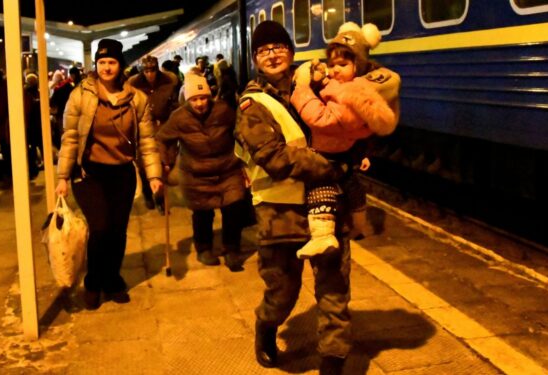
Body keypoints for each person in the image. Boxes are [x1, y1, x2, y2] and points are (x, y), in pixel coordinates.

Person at [233, 20, 350, 374]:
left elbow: (346, 118)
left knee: (334, 290)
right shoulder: (251, 105)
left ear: (291, 52)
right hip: (278, 211)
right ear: (255, 59)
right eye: (264, 50)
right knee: (283, 291)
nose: (272, 55)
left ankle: (333, 359)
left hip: (327, 204)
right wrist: (329, 163)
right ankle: (266, 325)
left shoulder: (317, 86)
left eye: (278, 48)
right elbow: (273, 157)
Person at [54, 39, 163, 310]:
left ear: (120, 65)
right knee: (100, 228)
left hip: (122, 174)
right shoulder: (80, 95)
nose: (106, 67)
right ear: (96, 65)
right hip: (89, 173)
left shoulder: (136, 99)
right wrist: (62, 176)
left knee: (117, 230)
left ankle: (112, 278)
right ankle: (93, 282)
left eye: (111, 62)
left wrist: (154, 175)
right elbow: (69, 137)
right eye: (101, 62)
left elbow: (147, 140)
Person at [290, 22, 398, 258]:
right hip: (346, 153)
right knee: (352, 187)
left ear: (357, 66)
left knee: (320, 187)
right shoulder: (347, 86)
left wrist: (302, 90)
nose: (335, 70)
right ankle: (359, 225)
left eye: (343, 64)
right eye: (332, 64)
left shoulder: (353, 94)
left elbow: (321, 118)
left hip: (328, 154)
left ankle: (322, 235)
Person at [156, 75, 250, 271]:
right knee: (202, 213)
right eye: (194, 99)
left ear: (210, 96)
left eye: (203, 98)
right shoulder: (179, 117)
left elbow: (239, 131)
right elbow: (164, 139)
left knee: (233, 209)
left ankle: (232, 248)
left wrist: (246, 160)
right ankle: (204, 248)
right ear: (187, 99)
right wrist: (166, 161)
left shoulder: (223, 110)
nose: (199, 103)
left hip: (228, 169)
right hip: (195, 173)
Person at [128, 55, 179, 211]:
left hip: (163, 128)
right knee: (145, 165)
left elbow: (174, 106)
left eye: (153, 70)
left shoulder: (168, 84)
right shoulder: (134, 87)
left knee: (165, 164)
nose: (150, 74)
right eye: (147, 71)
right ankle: (148, 193)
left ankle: (161, 197)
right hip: (144, 131)